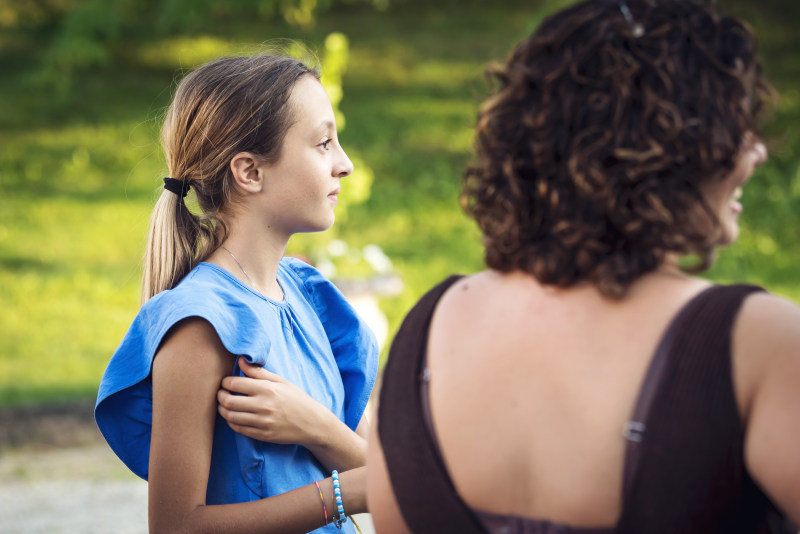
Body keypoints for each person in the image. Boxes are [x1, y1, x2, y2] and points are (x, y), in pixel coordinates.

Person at [367, 0, 800, 532]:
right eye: (736, 127)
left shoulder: (426, 331)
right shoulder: (755, 343)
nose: (757, 152)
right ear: (676, 150)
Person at [95, 54, 378, 533]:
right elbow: (176, 527)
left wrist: (315, 427)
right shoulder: (200, 325)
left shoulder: (311, 297)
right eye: (323, 143)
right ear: (249, 172)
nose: (344, 164)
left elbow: (386, 474)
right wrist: (337, 495)